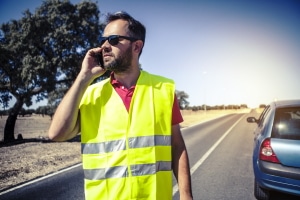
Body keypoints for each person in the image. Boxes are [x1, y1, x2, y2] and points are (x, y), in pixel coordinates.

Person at [49, 11, 193, 200]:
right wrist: (84, 77)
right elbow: (56, 134)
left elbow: (177, 146)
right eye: (104, 40)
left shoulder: (163, 89)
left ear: (137, 46)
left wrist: (186, 194)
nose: (104, 46)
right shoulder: (90, 93)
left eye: (114, 39)